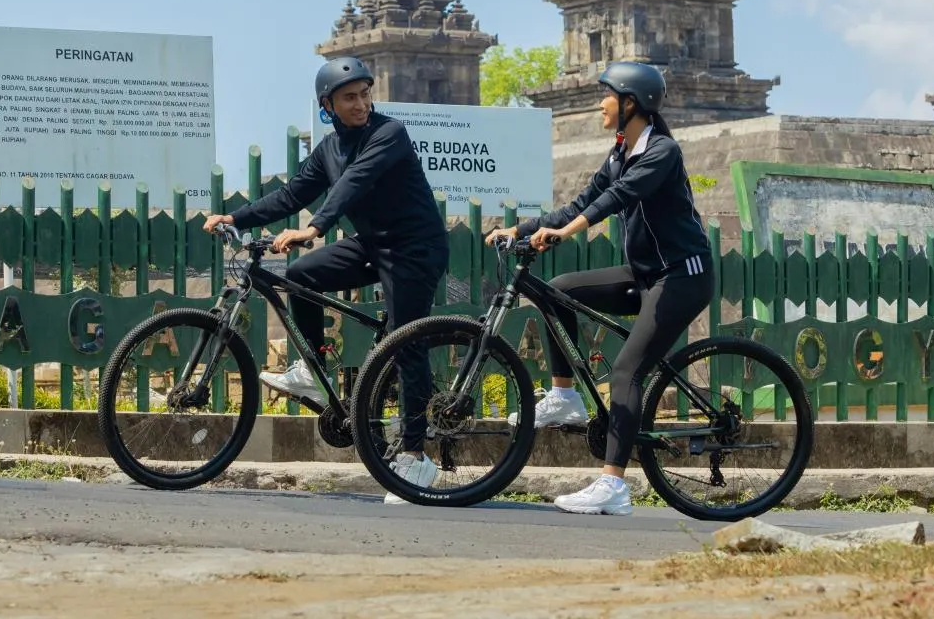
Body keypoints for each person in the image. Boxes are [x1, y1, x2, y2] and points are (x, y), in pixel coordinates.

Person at [202, 56, 449, 504]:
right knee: (300, 275)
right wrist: (235, 216)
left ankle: (416, 454)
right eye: (349, 98)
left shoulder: (388, 133)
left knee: (404, 342)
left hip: (415, 248)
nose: (361, 104)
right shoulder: (330, 149)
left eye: (365, 94)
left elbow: (353, 183)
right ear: (327, 105)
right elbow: (292, 193)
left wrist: (314, 228)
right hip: (373, 243)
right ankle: (313, 371)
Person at [485, 61, 714, 516]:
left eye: (607, 95)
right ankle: (565, 396)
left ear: (632, 102)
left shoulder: (661, 152)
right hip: (646, 273)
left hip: (682, 277)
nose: (600, 104)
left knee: (627, 372)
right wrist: (520, 228)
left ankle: (614, 487)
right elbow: (583, 200)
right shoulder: (618, 153)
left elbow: (619, 198)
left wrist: (567, 233)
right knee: (557, 290)